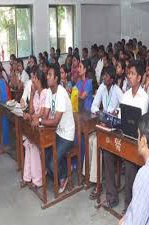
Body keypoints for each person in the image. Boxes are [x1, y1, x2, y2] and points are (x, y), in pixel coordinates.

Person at [103, 60, 149, 213]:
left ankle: (129, 206)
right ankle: (112, 196)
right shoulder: (126, 95)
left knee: (130, 164)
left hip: (135, 142)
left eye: (133, 74)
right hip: (123, 136)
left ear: (140, 78)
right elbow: (122, 118)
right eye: (128, 73)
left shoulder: (145, 98)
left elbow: (143, 126)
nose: (129, 76)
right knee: (107, 151)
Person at [32, 64, 75, 193]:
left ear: (56, 78)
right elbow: (45, 115)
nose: (47, 77)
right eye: (47, 75)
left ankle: (63, 176)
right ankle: (62, 171)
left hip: (67, 135)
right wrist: (36, 118)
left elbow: (55, 121)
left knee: (51, 163)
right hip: (57, 132)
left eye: (50, 75)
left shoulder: (61, 93)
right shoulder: (50, 92)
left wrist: (39, 120)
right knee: (44, 153)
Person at [84, 66, 123, 200]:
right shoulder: (101, 88)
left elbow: (124, 108)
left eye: (106, 76)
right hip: (104, 123)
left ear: (112, 79)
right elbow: (94, 106)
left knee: (95, 142)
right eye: (103, 75)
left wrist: (116, 112)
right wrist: (102, 113)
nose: (103, 77)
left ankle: (97, 183)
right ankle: (89, 175)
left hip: (113, 128)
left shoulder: (117, 91)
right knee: (89, 139)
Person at [21, 67, 48, 188]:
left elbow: (42, 113)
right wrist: (31, 94)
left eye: (33, 78)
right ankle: (28, 177)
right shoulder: (36, 93)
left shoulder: (45, 93)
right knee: (28, 144)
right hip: (36, 125)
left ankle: (38, 180)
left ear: (38, 78)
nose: (31, 81)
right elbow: (32, 110)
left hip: (45, 127)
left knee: (34, 145)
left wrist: (31, 117)